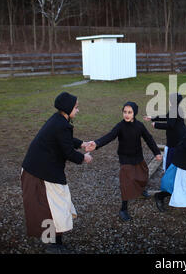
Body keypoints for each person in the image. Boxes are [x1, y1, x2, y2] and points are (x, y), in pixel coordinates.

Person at [21, 92, 93, 253]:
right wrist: (84, 158)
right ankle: (54, 245)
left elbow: (65, 140)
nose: (78, 110)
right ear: (67, 108)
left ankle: (56, 242)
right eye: (76, 107)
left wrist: (82, 143)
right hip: (41, 172)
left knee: (56, 206)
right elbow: (67, 151)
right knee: (55, 207)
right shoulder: (60, 124)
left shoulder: (59, 120)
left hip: (43, 169)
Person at [86, 102, 162, 221]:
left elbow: (149, 139)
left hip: (137, 155)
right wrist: (96, 144)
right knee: (126, 181)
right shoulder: (120, 126)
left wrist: (156, 152)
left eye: (129, 112)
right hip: (125, 158)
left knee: (142, 174)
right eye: (125, 112)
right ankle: (124, 208)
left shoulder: (140, 126)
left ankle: (141, 190)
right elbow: (109, 136)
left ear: (134, 113)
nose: (126, 115)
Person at [144, 93, 186, 212]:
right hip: (180, 142)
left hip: (174, 144)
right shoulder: (177, 109)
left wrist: (155, 124)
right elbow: (166, 117)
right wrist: (152, 117)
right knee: (176, 166)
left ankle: (165, 190)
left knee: (168, 167)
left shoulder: (175, 110)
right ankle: (173, 187)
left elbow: (170, 124)